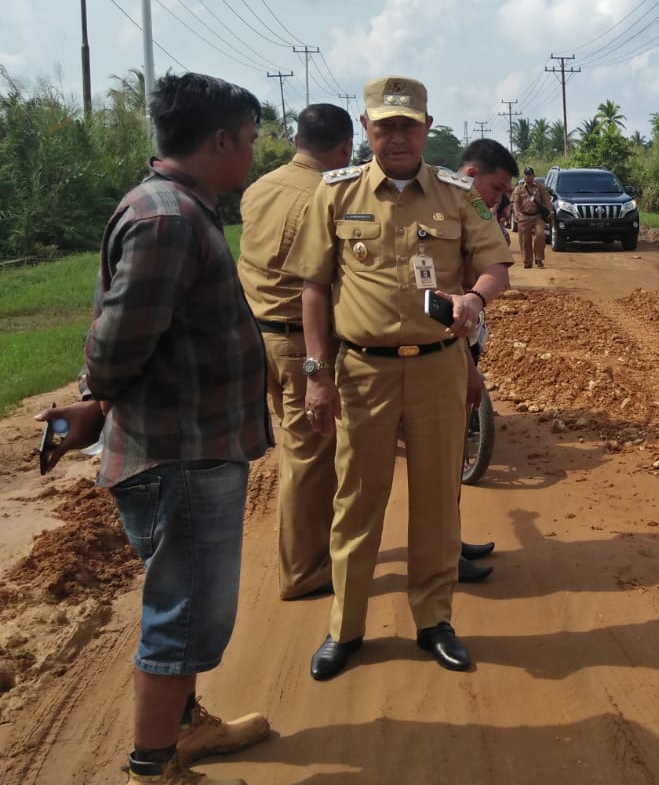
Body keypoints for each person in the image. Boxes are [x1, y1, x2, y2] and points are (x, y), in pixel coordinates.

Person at [36, 73, 273, 785]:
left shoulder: (170, 206)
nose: (253, 156)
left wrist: (94, 405)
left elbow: (138, 336)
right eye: (252, 141)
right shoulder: (170, 219)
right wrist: (98, 395)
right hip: (182, 455)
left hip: (186, 443)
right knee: (183, 611)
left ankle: (186, 726)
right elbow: (118, 343)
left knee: (187, 597)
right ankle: (154, 766)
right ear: (222, 140)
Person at [284, 76, 512, 681]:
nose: (398, 137)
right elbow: (312, 286)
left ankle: (434, 621)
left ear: (427, 128)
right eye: (385, 126)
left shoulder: (458, 195)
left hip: (437, 368)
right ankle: (346, 628)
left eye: (409, 125)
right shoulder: (335, 194)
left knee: (437, 501)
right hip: (361, 372)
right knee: (357, 501)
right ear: (367, 130)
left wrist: (475, 299)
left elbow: (494, 265)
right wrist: (316, 373)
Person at [237, 104, 352, 601]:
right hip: (302, 344)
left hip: (255, 336)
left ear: (296, 139)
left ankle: (315, 550)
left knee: (300, 448)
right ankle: (304, 571)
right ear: (347, 147)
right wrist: (320, 366)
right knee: (308, 457)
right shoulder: (328, 196)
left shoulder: (259, 187)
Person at [453, 138, 520, 581]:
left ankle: (446, 546)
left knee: (444, 463)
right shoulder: (441, 202)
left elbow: (497, 268)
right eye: (497, 188)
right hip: (433, 341)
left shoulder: (476, 211)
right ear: (473, 175)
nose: (499, 199)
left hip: (462, 327)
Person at [511, 165, 552, 268]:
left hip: (537, 216)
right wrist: (516, 212)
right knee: (525, 240)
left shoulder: (540, 187)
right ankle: (527, 261)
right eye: (526, 175)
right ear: (524, 176)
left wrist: (550, 211)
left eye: (530, 175)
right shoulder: (519, 188)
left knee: (540, 235)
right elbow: (515, 202)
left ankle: (539, 259)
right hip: (524, 216)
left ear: (534, 176)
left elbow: (547, 200)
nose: (528, 177)